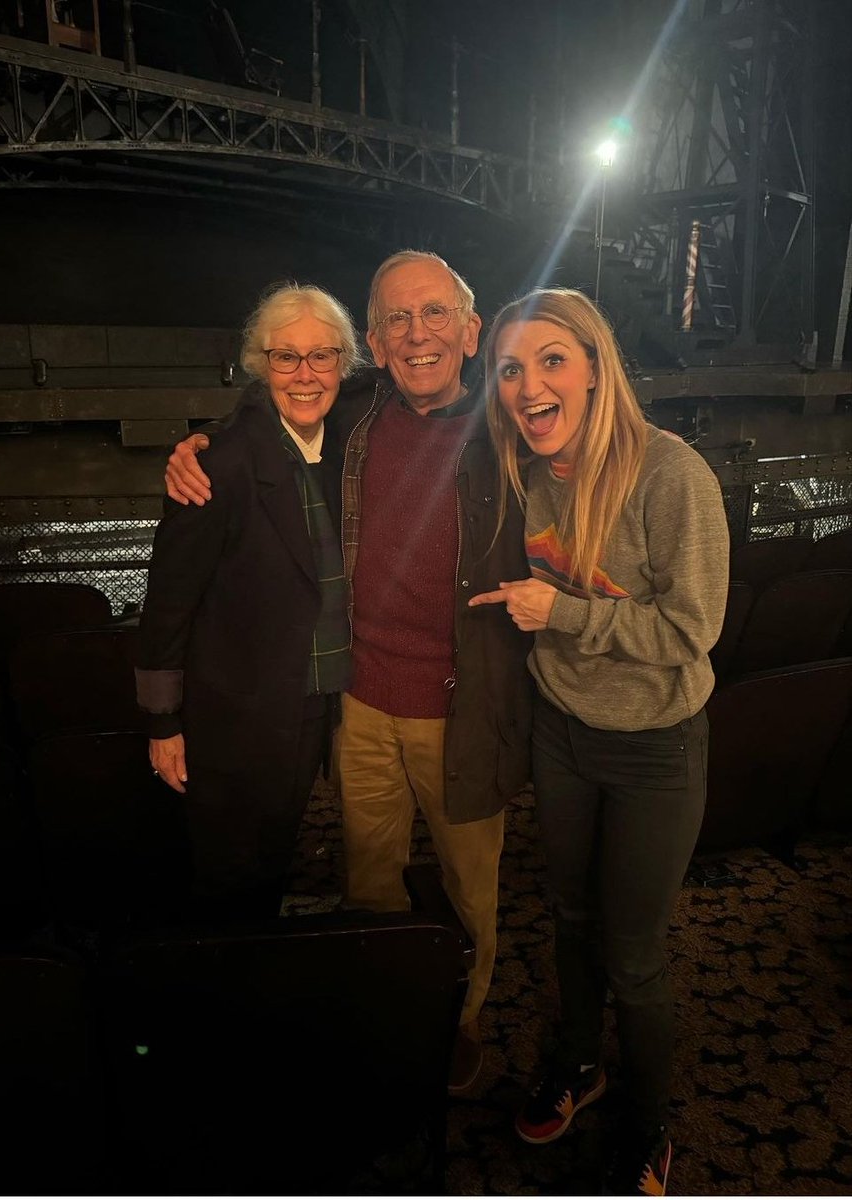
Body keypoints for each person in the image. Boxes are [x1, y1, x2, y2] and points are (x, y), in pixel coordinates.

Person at [163, 251, 533, 1091]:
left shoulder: (513, 429)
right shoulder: (359, 412)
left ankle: (460, 1020)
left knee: (470, 889)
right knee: (367, 881)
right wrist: (198, 445)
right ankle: (382, 1007)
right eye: (396, 319)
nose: (417, 334)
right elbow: (275, 406)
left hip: (462, 710)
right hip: (360, 705)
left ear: (471, 331)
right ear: (372, 342)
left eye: (434, 314)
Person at [470, 287, 729, 1193]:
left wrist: (565, 614)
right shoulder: (528, 467)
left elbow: (692, 629)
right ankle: (579, 1064)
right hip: (562, 732)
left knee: (633, 951)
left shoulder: (672, 475)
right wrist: (216, 440)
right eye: (509, 369)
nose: (528, 384)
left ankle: (647, 1123)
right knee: (569, 920)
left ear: (593, 367)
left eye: (550, 361)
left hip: (655, 746)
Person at [135, 282, 362, 918]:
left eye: (323, 356)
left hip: (314, 705)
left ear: (345, 363)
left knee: (273, 857)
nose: (306, 374)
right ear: (261, 365)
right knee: (230, 877)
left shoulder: (344, 444)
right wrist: (163, 722)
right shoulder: (220, 462)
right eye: (286, 357)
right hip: (235, 715)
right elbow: (169, 600)